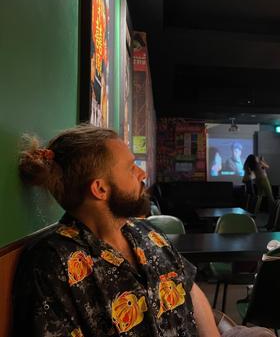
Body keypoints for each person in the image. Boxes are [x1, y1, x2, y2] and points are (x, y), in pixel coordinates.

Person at [14, 124, 222, 337]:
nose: (142, 174)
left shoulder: (146, 232)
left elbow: (189, 290)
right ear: (100, 189)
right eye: (131, 167)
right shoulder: (54, 262)